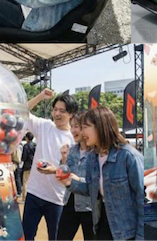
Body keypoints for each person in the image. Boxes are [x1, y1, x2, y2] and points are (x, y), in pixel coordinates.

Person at [61, 107, 144, 240]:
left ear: (101, 127)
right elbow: (91, 188)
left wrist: (140, 236)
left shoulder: (128, 156)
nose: (82, 132)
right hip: (102, 224)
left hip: (126, 230)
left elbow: (142, 199)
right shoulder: (93, 157)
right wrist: (69, 182)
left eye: (85, 127)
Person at [21, 89, 79, 241]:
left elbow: (74, 173)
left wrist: (56, 170)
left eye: (62, 111)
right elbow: (21, 112)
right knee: (27, 235)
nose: (57, 114)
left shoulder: (74, 139)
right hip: (34, 193)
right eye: (55, 109)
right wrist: (40, 97)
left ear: (71, 114)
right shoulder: (45, 126)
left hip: (57, 198)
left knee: (56, 237)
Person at [56, 113, 94, 241]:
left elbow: (96, 181)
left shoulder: (95, 153)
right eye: (71, 126)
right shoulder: (71, 150)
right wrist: (63, 159)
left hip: (89, 206)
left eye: (76, 126)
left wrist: (78, 180)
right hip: (70, 202)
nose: (73, 130)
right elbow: (63, 173)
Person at [18, 132, 36, 201]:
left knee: (25, 182)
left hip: (27, 166)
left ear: (27, 138)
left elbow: (24, 157)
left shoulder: (25, 146)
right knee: (33, 182)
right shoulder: (35, 145)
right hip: (34, 166)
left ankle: (24, 198)